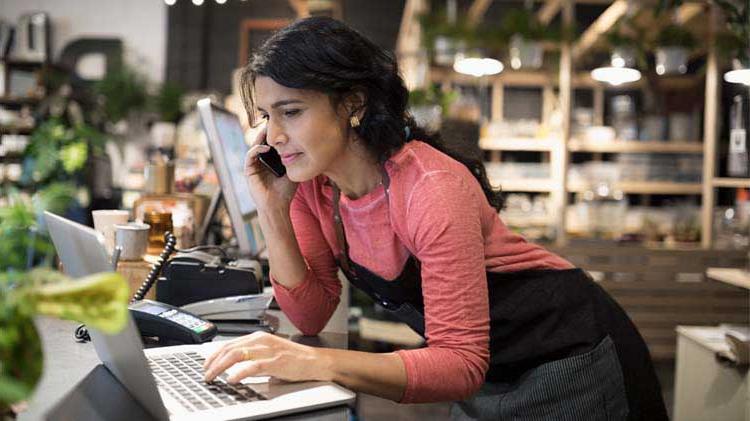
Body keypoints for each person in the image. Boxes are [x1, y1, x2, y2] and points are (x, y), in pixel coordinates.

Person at [203, 16, 668, 420]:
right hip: (490, 373)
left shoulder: (429, 187)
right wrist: (272, 207)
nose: (273, 135)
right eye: (266, 115)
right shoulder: (314, 186)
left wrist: (317, 363)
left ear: (353, 105)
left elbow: (460, 362)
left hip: (571, 357)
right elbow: (310, 313)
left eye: (292, 112)